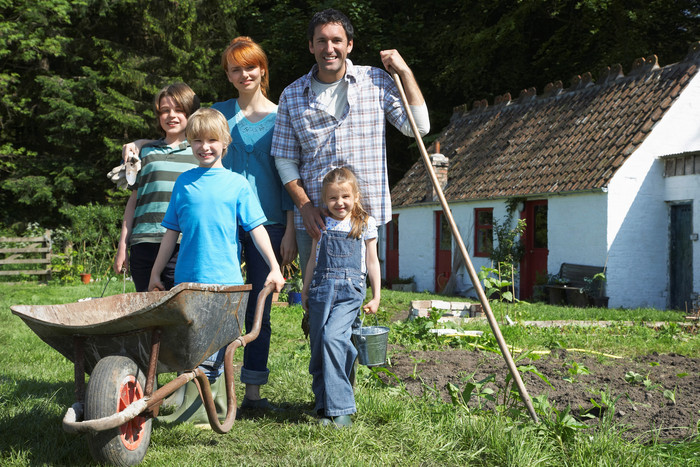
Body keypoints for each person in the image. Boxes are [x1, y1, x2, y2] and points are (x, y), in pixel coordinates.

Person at [149, 107, 285, 425]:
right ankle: (195, 403)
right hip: (187, 281)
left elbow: (257, 230)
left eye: (212, 140)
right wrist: (157, 272)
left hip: (225, 281)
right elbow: (171, 233)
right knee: (191, 343)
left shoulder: (236, 185)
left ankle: (215, 405)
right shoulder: (184, 183)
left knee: (218, 345)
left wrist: (275, 267)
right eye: (197, 140)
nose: (204, 146)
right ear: (190, 143)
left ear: (225, 142)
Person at [272, 8, 430, 278]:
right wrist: (305, 206)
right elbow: (285, 159)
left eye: (336, 40)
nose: (329, 48)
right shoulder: (292, 95)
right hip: (315, 220)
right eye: (321, 41)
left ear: (350, 45)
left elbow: (418, 127)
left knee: (352, 299)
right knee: (316, 302)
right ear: (311, 46)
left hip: (362, 217)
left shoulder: (376, 81)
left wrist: (404, 71)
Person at [211, 36, 296, 410]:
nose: (244, 73)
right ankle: (211, 388)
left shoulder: (283, 117)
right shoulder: (218, 114)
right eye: (235, 68)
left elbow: (291, 176)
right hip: (223, 224)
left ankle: (253, 393)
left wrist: (292, 228)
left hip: (272, 224)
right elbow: (186, 140)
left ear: (263, 69)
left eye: (251, 66)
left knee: (258, 308)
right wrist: (142, 144)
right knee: (219, 305)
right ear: (228, 75)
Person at [301, 167, 380, 428]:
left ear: (355, 196)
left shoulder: (364, 223)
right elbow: (313, 259)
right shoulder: (322, 224)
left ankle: (342, 407)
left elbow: (372, 260)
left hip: (350, 291)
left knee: (333, 338)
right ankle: (324, 406)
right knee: (318, 345)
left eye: (345, 196)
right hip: (321, 290)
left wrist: (376, 295)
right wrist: (305, 289)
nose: (340, 203)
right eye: (333, 198)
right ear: (325, 200)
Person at [113, 83, 199, 291]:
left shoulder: (200, 153)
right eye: (165, 110)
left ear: (191, 113)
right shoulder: (145, 152)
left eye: (179, 110)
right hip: (143, 243)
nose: (172, 116)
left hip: (181, 244)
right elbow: (134, 202)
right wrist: (122, 246)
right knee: (147, 312)